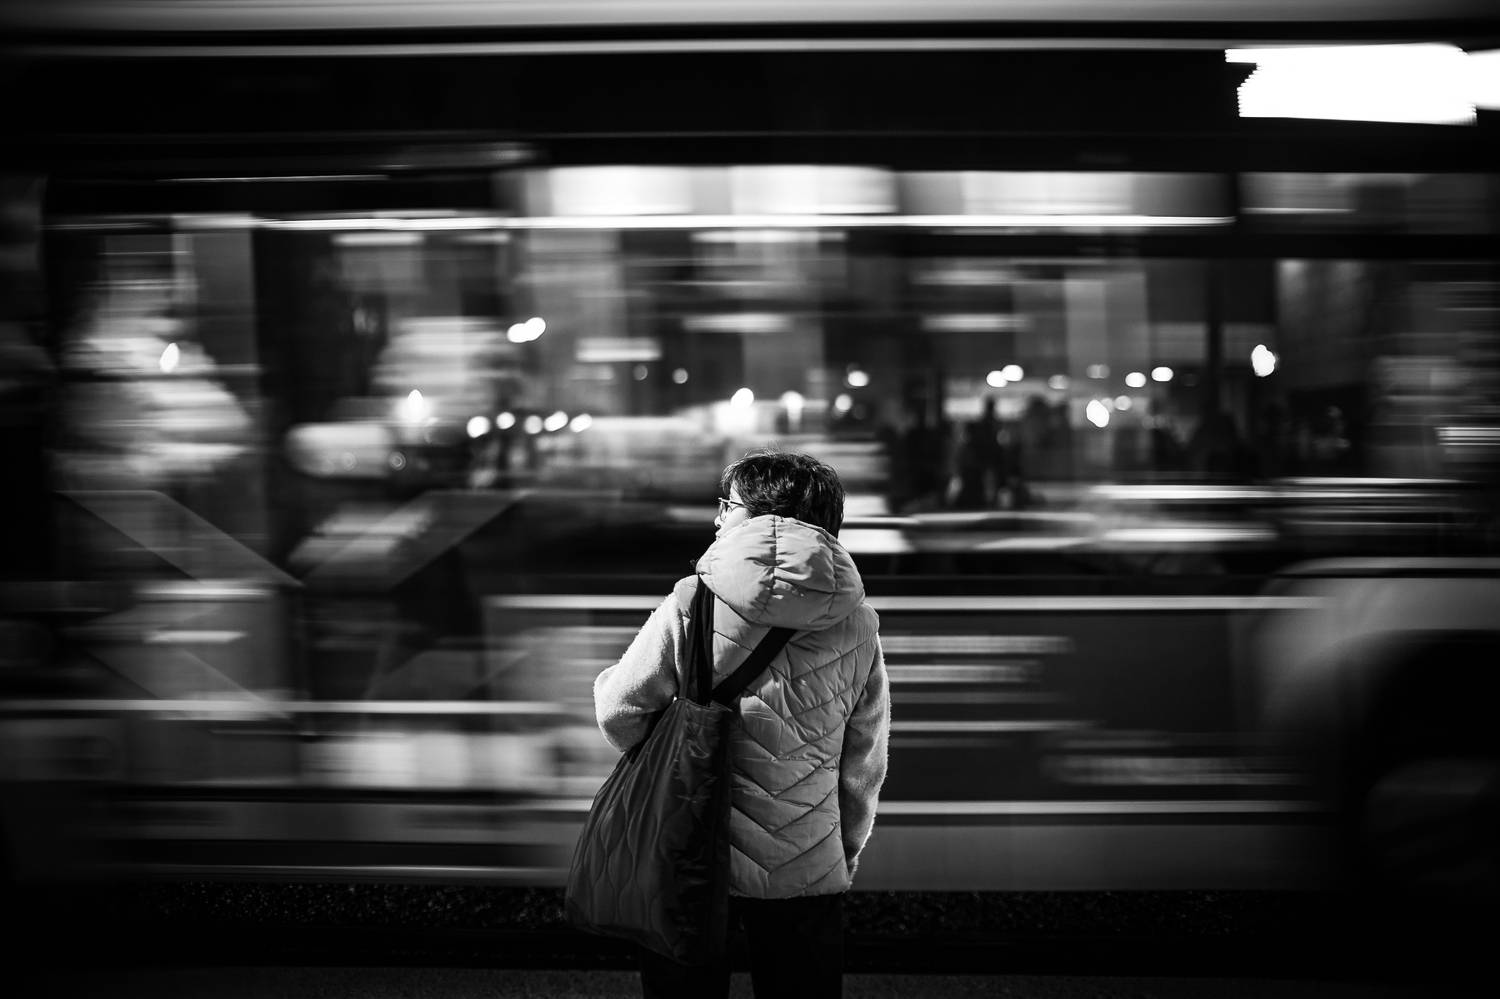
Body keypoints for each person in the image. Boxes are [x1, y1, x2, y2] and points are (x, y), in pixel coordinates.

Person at [593, 447, 891, 999]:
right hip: (808, 864)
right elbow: (863, 765)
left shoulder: (693, 603)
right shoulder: (859, 625)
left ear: (761, 518)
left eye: (727, 506)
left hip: (694, 853)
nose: (717, 519)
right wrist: (838, 852)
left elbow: (619, 712)